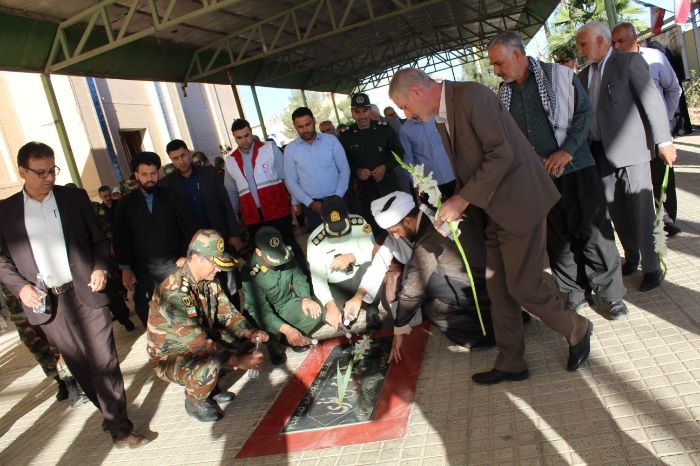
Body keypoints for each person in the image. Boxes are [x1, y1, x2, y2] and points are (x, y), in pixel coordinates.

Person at [388, 68, 593, 385]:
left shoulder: (471, 96)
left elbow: (501, 154)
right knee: (498, 290)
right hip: (493, 211)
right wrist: (457, 205)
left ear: (416, 92)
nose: (406, 115)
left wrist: (461, 200)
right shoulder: (442, 115)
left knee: (523, 286)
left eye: (404, 106)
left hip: (519, 203)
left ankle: (577, 328)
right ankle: (511, 362)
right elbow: (469, 168)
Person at [0, 141, 147, 447]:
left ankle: (120, 429)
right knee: (81, 367)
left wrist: (99, 268)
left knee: (104, 360)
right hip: (48, 303)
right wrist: (20, 287)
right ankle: (110, 412)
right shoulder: (6, 212)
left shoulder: (73, 198)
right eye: (40, 172)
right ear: (22, 171)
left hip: (86, 293)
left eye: (52, 170)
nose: (49, 177)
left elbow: (99, 240)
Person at [487, 31, 627, 319]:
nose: (496, 71)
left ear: (517, 55)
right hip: (539, 179)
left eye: (499, 63)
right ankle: (573, 292)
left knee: (593, 233)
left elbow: (585, 114)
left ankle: (610, 295)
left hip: (576, 168)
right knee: (557, 239)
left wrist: (567, 151)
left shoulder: (560, 76)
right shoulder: (505, 94)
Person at [576, 21, 677, 291]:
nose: (580, 50)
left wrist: (664, 141)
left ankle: (652, 267)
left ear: (601, 41)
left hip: (632, 151)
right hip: (600, 153)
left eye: (583, 44)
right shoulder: (583, 76)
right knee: (617, 210)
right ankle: (633, 257)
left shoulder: (628, 62)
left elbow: (652, 100)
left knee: (641, 209)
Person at [147, 229, 268, 423]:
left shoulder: (209, 281)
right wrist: (238, 361)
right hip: (171, 355)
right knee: (210, 366)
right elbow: (199, 345)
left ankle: (212, 389)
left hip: (200, 339)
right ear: (196, 258)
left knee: (241, 343)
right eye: (214, 263)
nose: (218, 269)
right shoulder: (174, 292)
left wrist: (250, 332)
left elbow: (227, 313)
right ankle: (195, 402)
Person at [359, 192, 494, 363]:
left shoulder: (428, 238)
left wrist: (399, 328)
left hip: (481, 292)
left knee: (430, 306)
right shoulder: (435, 214)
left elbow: (412, 291)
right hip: (489, 283)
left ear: (408, 221)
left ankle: (482, 337)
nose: (396, 237)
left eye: (395, 231)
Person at [612, 22, 683, 237]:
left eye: (621, 41)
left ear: (635, 38)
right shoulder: (612, 65)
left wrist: (664, 121)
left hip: (657, 133)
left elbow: (673, 89)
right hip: (631, 136)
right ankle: (643, 221)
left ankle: (666, 218)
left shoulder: (655, 58)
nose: (617, 46)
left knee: (662, 174)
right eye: (613, 42)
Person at [112, 151, 197, 326]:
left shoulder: (172, 196)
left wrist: (186, 256)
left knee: (188, 313)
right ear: (136, 175)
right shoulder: (127, 203)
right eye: (144, 174)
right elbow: (122, 237)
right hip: (143, 272)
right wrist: (125, 268)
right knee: (152, 318)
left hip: (174, 266)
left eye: (153, 174)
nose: (150, 178)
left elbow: (187, 227)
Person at [224, 119, 307, 272]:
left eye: (246, 135)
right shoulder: (230, 161)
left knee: (289, 246)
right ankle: (281, 284)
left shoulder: (269, 149)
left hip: (278, 212)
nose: (244, 140)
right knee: (265, 257)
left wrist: (295, 200)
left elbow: (287, 177)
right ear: (234, 138)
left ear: (251, 132)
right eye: (239, 138)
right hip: (253, 218)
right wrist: (234, 221)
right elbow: (231, 193)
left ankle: (304, 277)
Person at [242, 227, 323, 363]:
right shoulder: (250, 273)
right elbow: (261, 311)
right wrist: (287, 329)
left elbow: (298, 277)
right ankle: (274, 340)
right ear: (258, 252)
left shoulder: (286, 254)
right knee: (273, 342)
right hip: (263, 315)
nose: (278, 261)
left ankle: (286, 339)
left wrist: (305, 298)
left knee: (316, 312)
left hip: (285, 304)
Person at [1, 283, 89, 407]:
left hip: (35, 301)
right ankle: (66, 384)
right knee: (42, 345)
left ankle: (69, 385)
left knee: (49, 343)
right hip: (26, 305)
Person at [306, 195, 380, 331]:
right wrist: (329, 304)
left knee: (374, 268)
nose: (339, 233)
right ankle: (345, 312)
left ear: (347, 214)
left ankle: (372, 311)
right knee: (327, 313)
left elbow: (375, 252)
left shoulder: (359, 222)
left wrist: (353, 257)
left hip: (359, 277)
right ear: (322, 218)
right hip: (336, 285)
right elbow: (318, 278)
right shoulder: (314, 241)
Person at [339, 92, 407, 235]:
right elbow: (343, 163)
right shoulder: (346, 136)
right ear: (352, 113)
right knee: (376, 231)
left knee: (399, 226)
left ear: (370, 111)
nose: (362, 116)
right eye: (357, 112)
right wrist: (357, 171)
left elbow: (399, 153)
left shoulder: (384, 129)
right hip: (365, 192)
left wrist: (385, 167)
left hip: (389, 186)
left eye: (365, 111)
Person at [162, 139, 243, 253]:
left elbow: (225, 203)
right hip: (192, 245)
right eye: (175, 158)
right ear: (171, 160)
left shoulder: (209, 173)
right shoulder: (167, 185)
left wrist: (234, 234)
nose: (181, 161)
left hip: (220, 237)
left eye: (183, 155)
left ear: (189, 153)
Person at [283, 107, 351, 230]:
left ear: (314, 121)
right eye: (300, 127)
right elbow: (291, 182)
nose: (305, 129)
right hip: (312, 207)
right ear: (295, 126)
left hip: (339, 198)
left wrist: (338, 196)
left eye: (308, 124)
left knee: (347, 234)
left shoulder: (331, 141)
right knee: (322, 240)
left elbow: (344, 169)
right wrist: (310, 203)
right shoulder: (290, 150)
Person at [399, 116, 456, 199]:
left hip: (453, 174)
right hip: (428, 183)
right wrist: (415, 182)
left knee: (465, 206)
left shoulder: (440, 117)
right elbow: (408, 158)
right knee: (437, 208)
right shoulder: (405, 130)